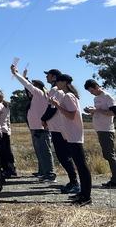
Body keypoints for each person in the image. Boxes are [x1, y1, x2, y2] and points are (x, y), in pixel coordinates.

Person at [49, 74, 91, 205]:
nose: (56, 84)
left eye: (58, 82)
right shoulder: (69, 95)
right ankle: (82, 193)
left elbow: (72, 115)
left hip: (74, 135)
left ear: (64, 82)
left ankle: (86, 196)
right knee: (79, 165)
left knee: (82, 166)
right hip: (71, 135)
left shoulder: (68, 96)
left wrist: (57, 105)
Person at [11, 64, 55, 180]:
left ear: (37, 87)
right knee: (40, 152)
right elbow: (27, 85)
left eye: (33, 86)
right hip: (36, 128)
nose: (30, 89)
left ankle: (50, 174)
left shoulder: (40, 94)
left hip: (41, 128)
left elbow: (27, 85)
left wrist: (16, 73)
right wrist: (24, 76)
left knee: (45, 151)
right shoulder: (40, 95)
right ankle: (43, 171)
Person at [41, 69, 78, 191]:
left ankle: (75, 182)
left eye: (50, 76)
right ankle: (73, 181)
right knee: (64, 156)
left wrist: (44, 118)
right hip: (58, 128)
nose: (48, 78)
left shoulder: (59, 92)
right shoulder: (58, 91)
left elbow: (53, 108)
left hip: (59, 129)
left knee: (64, 156)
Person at [84, 79, 116, 188]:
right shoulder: (96, 98)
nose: (91, 93)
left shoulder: (107, 96)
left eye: (91, 90)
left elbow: (113, 112)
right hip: (99, 129)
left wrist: (97, 111)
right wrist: (91, 111)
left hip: (107, 129)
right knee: (107, 155)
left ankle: (115, 180)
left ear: (96, 87)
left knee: (110, 155)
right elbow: (98, 112)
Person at [0, 93, 17, 178]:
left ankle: (7, 169)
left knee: (2, 152)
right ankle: (11, 168)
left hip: (0, 130)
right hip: (5, 130)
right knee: (7, 151)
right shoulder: (6, 105)